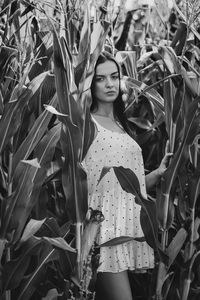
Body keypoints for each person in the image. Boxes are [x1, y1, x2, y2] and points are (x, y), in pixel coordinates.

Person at [83, 51, 170, 300]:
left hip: (124, 229)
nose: (109, 84)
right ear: (89, 82)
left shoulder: (122, 125)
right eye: (100, 78)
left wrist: (159, 172)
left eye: (114, 76)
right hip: (102, 233)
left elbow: (131, 188)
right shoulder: (87, 124)